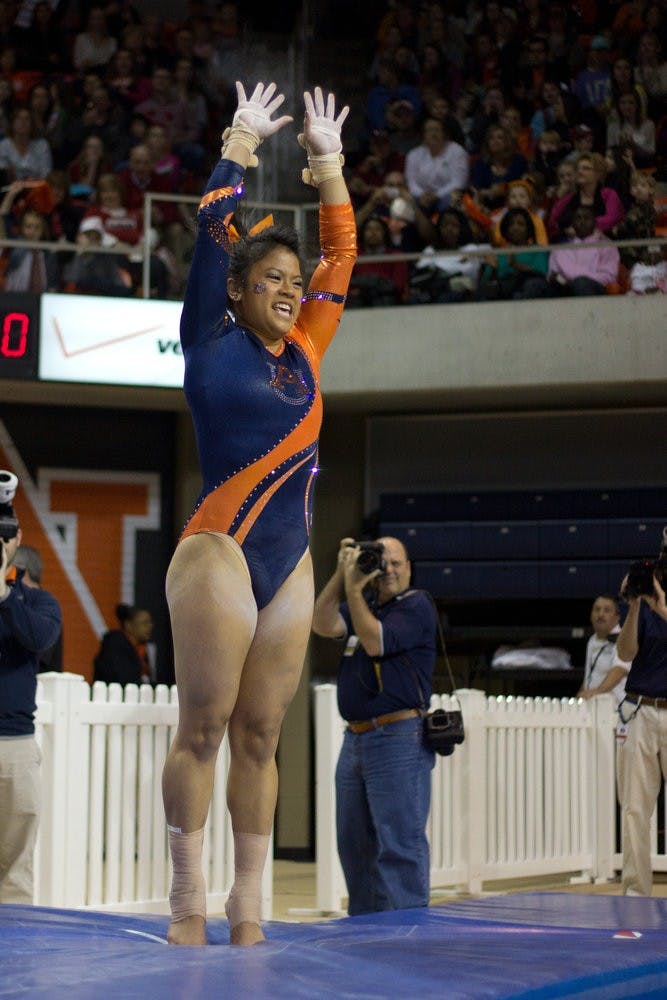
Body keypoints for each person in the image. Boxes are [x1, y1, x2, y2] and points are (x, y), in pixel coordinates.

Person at [161, 80, 356, 947]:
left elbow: (341, 256)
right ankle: (185, 901)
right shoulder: (209, 336)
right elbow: (210, 227)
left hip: (290, 558)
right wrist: (240, 140)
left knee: (262, 734)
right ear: (236, 290)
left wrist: (327, 164)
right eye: (270, 279)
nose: (288, 290)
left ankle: (248, 907)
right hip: (219, 548)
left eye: (293, 280)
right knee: (202, 727)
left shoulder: (307, 349)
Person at [312, 536, 436, 916]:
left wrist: (353, 587)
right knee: (353, 843)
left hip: (399, 737)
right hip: (357, 738)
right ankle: (365, 931)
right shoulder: (360, 604)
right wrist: (341, 573)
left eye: (397, 563)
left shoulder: (416, 605)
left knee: (399, 842)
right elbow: (319, 622)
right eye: (383, 563)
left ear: (409, 567)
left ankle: (406, 932)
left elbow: (376, 642)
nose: (390, 570)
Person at [0, 473, 62, 904]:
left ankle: (15, 960)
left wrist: (4, 592)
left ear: (17, 538)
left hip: (15, 747)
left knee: (15, 866)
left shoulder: (37, 601)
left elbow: (37, 639)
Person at [615, 540, 667, 896]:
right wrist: (635, 606)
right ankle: (636, 894)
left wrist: (663, 610)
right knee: (635, 808)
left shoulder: (659, 603)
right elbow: (625, 652)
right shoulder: (647, 596)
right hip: (642, 707)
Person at [576, 594, 629, 707]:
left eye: (607, 610)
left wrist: (596, 692)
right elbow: (590, 674)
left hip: (615, 708)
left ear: (617, 616)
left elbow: (619, 670)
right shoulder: (592, 640)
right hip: (592, 706)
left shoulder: (623, 639)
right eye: (597, 609)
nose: (601, 614)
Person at [93, 603, 154, 685]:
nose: (150, 626)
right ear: (128, 625)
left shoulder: (141, 649)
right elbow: (125, 680)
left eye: (150, 622)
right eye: (144, 623)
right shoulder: (114, 647)